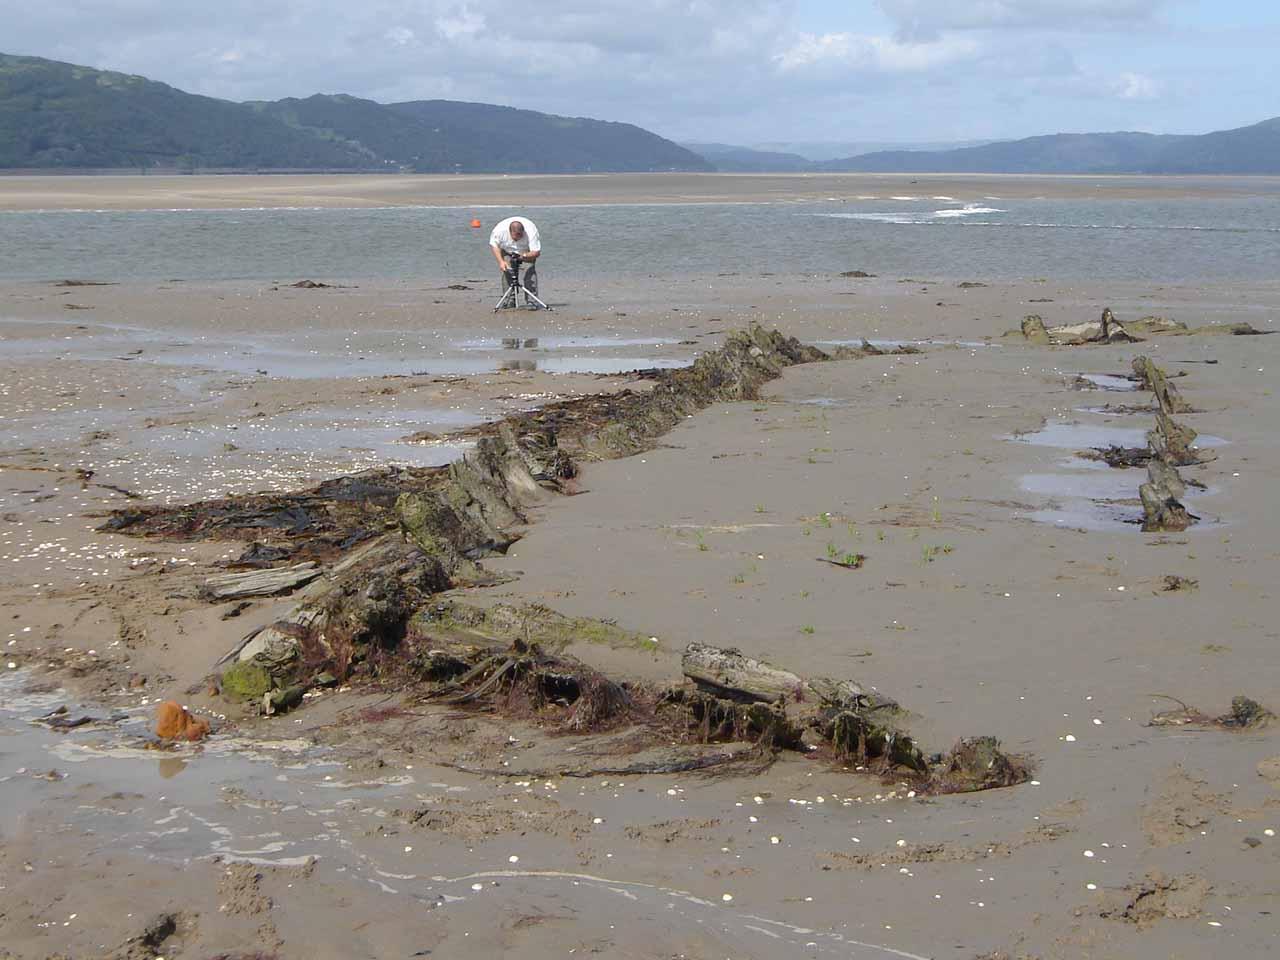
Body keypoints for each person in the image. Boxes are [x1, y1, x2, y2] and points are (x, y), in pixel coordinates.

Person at [489, 216, 541, 296]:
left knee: (529, 272)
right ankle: (509, 299)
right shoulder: (499, 231)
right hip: (507, 250)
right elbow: (494, 246)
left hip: (526, 252)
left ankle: (532, 300)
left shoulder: (531, 231)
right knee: (507, 272)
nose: (518, 239)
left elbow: (536, 252)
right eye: (515, 238)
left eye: (520, 236)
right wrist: (501, 262)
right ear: (510, 232)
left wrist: (523, 256)